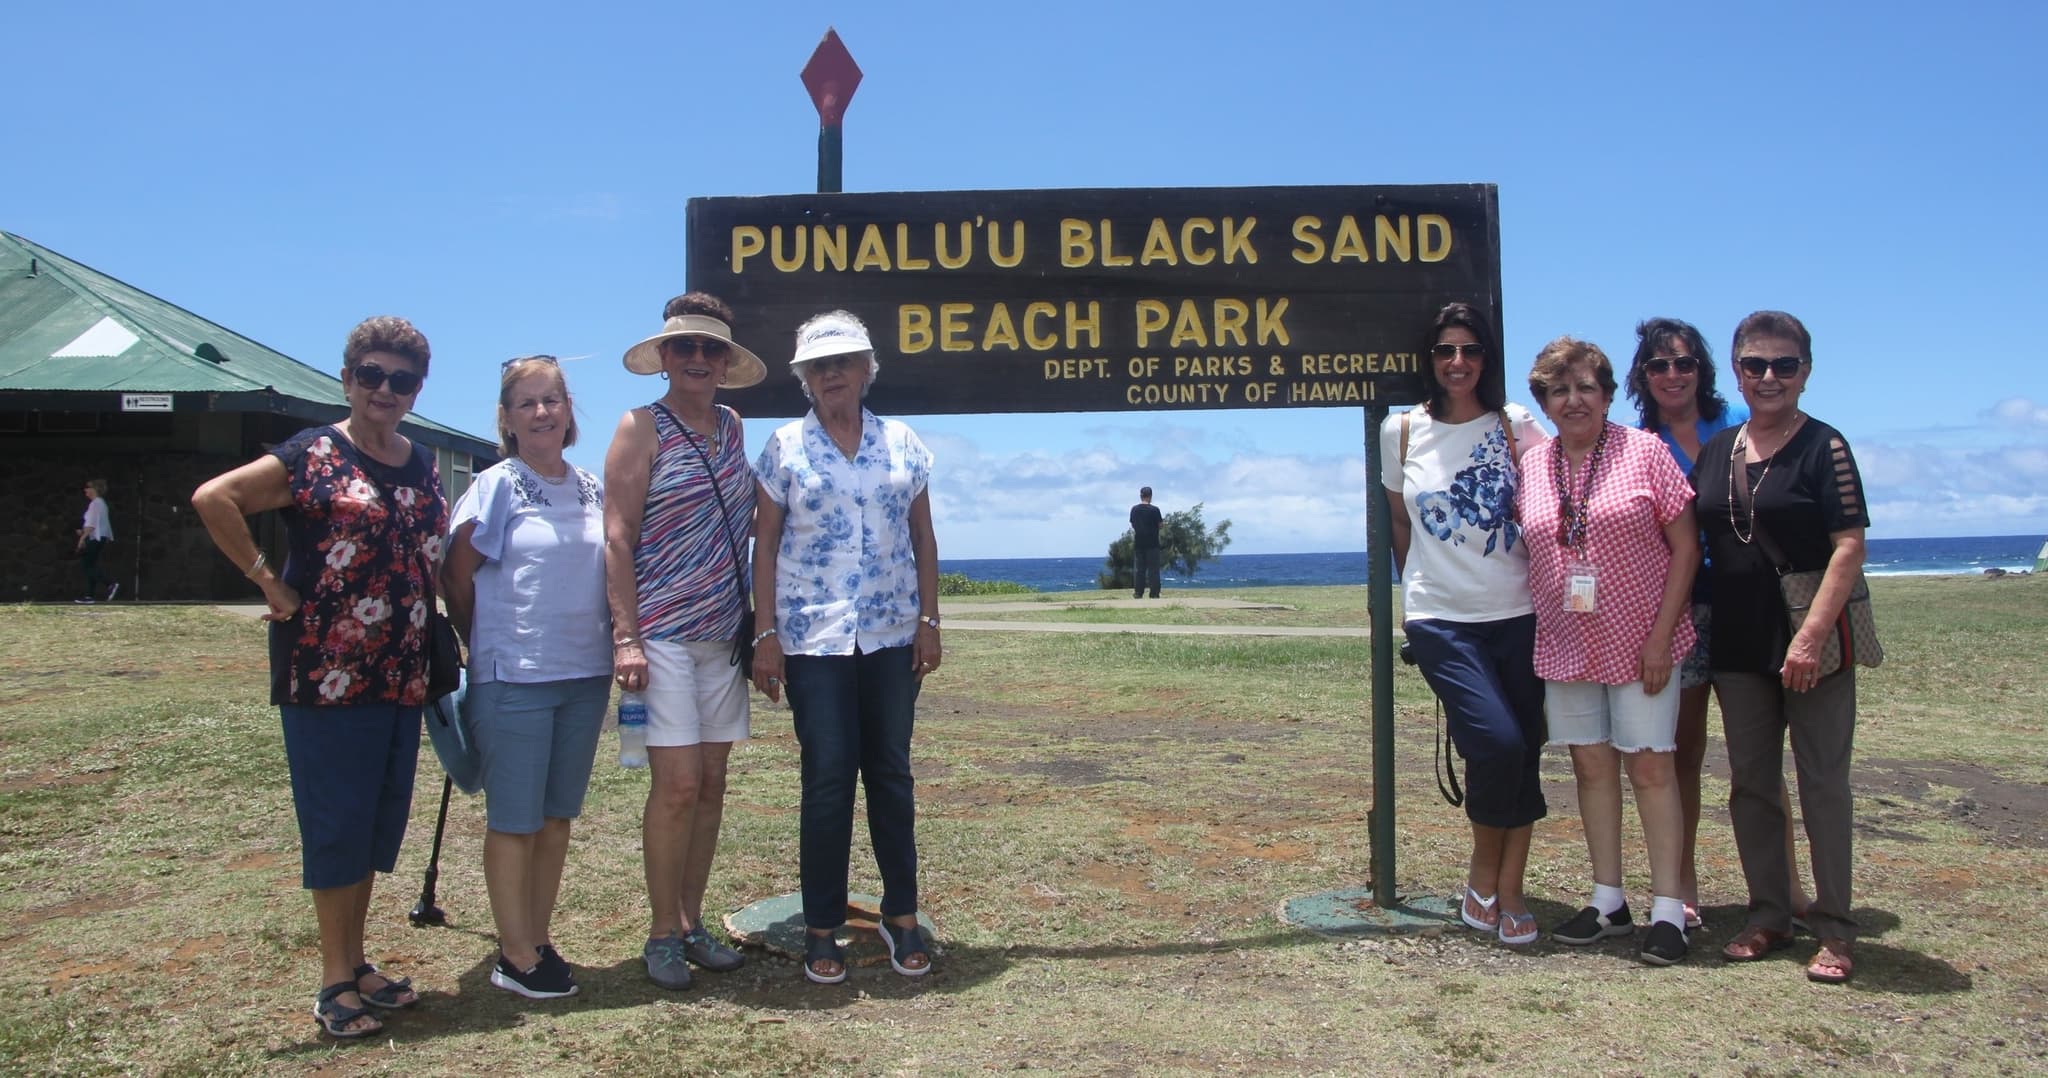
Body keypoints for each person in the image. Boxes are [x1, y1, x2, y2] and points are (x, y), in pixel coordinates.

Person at [190, 316, 445, 1039]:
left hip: (400, 673)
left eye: (401, 380)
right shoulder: (313, 454)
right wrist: (270, 583)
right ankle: (335, 978)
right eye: (371, 375)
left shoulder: (423, 461)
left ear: (417, 389)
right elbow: (216, 498)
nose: (384, 390)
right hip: (326, 676)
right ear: (347, 378)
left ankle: (359, 962)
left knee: (371, 823)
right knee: (336, 822)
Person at [749, 310, 941, 983]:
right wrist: (765, 633)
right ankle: (823, 926)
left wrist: (931, 621)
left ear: (866, 370)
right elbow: (765, 543)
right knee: (828, 778)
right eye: (818, 366)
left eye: (844, 362)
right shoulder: (783, 447)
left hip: (891, 634)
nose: (832, 374)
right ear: (804, 378)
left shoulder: (905, 444)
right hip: (813, 639)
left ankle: (902, 915)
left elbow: (922, 537)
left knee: (890, 774)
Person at [1690, 310, 1868, 984]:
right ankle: (1769, 916)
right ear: (1737, 371)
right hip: (1738, 641)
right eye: (1755, 365)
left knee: (1824, 786)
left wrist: (1813, 638)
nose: (1769, 378)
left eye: (1783, 365)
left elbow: (1848, 546)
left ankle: (1836, 931)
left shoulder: (1826, 447)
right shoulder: (1719, 449)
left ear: (1806, 372)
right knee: (1752, 787)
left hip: (1809, 641)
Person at [1625, 319, 1814, 931]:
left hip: (1748, 599)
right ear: (1643, 376)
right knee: (1681, 749)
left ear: (1703, 369)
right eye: (1658, 365)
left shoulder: (1736, 419)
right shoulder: (1639, 442)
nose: (1672, 375)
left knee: (1756, 756)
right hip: (1680, 607)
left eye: (1683, 363)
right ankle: (1681, 884)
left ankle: (1787, 885)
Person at [1519, 337, 1699, 965]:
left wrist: (1660, 636)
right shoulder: (1533, 467)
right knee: (1591, 769)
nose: (1573, 401)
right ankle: (1607, 901)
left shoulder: (1644, 453)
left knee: (1650, 767)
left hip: (1643, 641)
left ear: (1606, 394)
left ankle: (1669, 910)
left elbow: (1687, 548)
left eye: (1585, 388)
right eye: (1559, 390)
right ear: (1544, 400)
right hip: (1567, 643)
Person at [605, 294, 767, 990]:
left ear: (726, 363)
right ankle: (661, 931)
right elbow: (617, 535)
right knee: (675, 787)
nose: (698, 360)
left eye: (711, 350)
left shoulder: (733, 427)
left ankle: (693, 921)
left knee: (711, 785)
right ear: (663, 358)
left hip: (721, 636)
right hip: (662, 635)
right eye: (685, 349)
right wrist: (626, 637)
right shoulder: (640, 428)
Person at [1380, 302, 1549, 946]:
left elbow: (1554, 491)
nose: (1458, 363)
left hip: (1520, 611)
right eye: (1446, 350)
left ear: (1488, 358)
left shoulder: (1514, 424)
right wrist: (1420, 585)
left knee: (1526, 746)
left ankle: (1511, 890)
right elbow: (1401, 521)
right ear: (1429, 359)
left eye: (1471, 350)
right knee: (1497, 744)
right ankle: (1483, 876)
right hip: (1441, 619)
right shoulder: (1399, 433)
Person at [441, 356, 610, 999]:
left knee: (556, 817)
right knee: (514, 820)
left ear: (569, 410)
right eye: (527, 404)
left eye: (553, 400)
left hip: (585, 674)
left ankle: (536, 938)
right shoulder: (497, 486)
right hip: (513, 676)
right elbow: (456, 576)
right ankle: (513, 953)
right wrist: (480, 641)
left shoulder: (591, 487)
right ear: (507, 419)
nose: (542, 413)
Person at [75, 478, 115, 603]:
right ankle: (89, 596)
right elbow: (99, 524)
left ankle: (110, 584)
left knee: (87, 565)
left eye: (88, 487)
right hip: (98, 537)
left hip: (95, 538)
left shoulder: (96, 504)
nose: (85, 490)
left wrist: (82, 538)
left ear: (95, 489)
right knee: (91, 565)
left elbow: (91, 524)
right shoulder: (100, 503)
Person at [1130, 487, 1163, 598]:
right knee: (1153, 570)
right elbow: (1160, 525)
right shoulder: (1155, 510)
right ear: (1150, 496)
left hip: (1139, 543)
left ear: (1141, 496)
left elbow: (1133, 524)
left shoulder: (1134, 509)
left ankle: (1138, 593)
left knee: (1139, 570)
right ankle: (1154, 593)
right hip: (1153, 543)